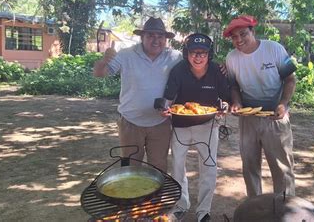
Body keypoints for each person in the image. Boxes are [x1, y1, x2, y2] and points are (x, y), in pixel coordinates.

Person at [93, 17, 182, 172]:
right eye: (150, 36)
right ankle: (132, 197)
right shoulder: (126, 54)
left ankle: (155, 197)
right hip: (130, 123)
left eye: (160, 36)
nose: (156, 40)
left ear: (165, 39)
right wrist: (103, 61)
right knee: (130, 169)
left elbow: (195, 70)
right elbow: (100, 73)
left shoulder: (175, 57)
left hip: (160, 123)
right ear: (142, 37)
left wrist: (220, 69)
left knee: (158, 167)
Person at [223, 15, 297, 197]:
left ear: (252, 32)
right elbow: (233, 86)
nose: (239, 40)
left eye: (243, 34)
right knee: (250, 167)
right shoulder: (231, 58)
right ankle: (254, 207)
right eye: (234, 37)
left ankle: (285, 208)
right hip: (248, 119)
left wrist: (283, 104)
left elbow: (290, 79)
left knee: (282, 168)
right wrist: (237, 102)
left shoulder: (274, 49)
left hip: (275, 117)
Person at [161, 33, 230, 222]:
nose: (198, 57)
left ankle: (203, 211)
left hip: (207, 125)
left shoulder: (217, 71)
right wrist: (165, 107)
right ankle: (181, 205)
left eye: (203, 53)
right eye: (193, 53)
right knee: (177, 166)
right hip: (181, 125)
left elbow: (226, 98)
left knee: (209, 166)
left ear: (209, 55)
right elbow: (169, 97)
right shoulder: (178, 70)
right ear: (186, 54)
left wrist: (224, 107)